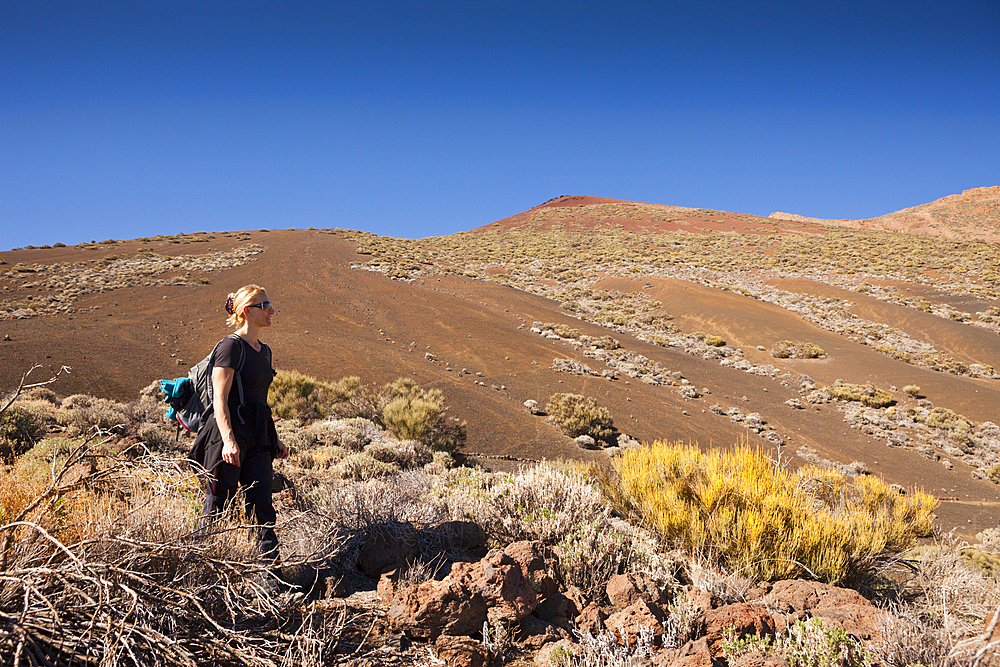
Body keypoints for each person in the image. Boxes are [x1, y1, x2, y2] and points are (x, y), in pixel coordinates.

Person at [194, 284, 288, 560]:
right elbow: (219, 400)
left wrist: (275, 438)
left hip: (258, 435)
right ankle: (198, 567)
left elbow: (261, 400)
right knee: (217, 504)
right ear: (247, 311)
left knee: (262, 507)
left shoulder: (264, 350)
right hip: (228, 435)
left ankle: (271, 579)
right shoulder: (230, 347)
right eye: (264, 306)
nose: (271, 311)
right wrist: (229, 441)